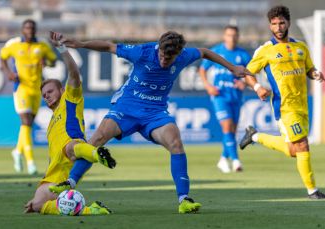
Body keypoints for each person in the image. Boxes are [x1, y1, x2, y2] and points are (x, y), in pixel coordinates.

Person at [51, 30, 253, 213]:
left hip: (155, 113)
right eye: (163, 56)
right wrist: (80, 44)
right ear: (159, 48)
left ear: (178, 54)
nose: (165, 61)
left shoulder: (183, 56)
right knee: (98, 138)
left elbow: (204, 52)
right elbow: (109, 46)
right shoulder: (142, 52)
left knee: (175, 141)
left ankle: (184, 199)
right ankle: (69, 182)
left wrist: (232, 67)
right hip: (127, 107)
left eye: (170, 58)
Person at [24, 32, 115, 215]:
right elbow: (52, 155)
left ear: (62, 89)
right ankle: (93, 210)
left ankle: (97, 154)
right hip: (55, 171)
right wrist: (45, 175)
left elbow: (74, 73)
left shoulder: (70, 98)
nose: (47, 96)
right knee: (37, 205)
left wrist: (62, 49)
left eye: (50, 91)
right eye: (44, 95)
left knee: (72, 147)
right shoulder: (50, 124)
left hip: (73, 150)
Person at [239, 5, 325, 199]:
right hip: (284, 107)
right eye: (274, 24)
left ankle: (254, 137)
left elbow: (309, 69)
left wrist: (315, 73)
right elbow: (247, 73)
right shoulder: (266, 50)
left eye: (281, 23)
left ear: (288, 23)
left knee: (295, 150)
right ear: (270, 26)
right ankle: (312, 190)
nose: (278, 27)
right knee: (302, 145)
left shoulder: (301, 47)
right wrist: (257, 87)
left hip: (303, 105)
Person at [0, 19, 57, 175]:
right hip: (21, 88)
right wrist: (9, 73)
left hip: (37, 89)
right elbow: (2, 57)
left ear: (35, 29)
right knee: (25, 122)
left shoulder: (42, 46)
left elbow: (54, 61)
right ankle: (31, 163)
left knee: (28, 125)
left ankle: (17, 151)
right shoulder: (14, 45)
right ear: (22, 29)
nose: (30, 30)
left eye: (32, 28)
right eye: (27, 27)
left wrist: (47, 62)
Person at [199, 25, 251, 173]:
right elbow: (202, 69)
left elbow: (251, 74)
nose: (232, 38)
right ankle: (236, 162)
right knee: (227, 127)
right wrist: (208, 86)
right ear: (224, 36)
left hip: (236, 96)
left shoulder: (243, 55)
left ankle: (223, 159)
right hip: (219, 96)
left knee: (232, 132)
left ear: (238, 37)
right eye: (229, 35)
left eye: (234, 35)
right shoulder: (217, 51)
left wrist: (244, 82)